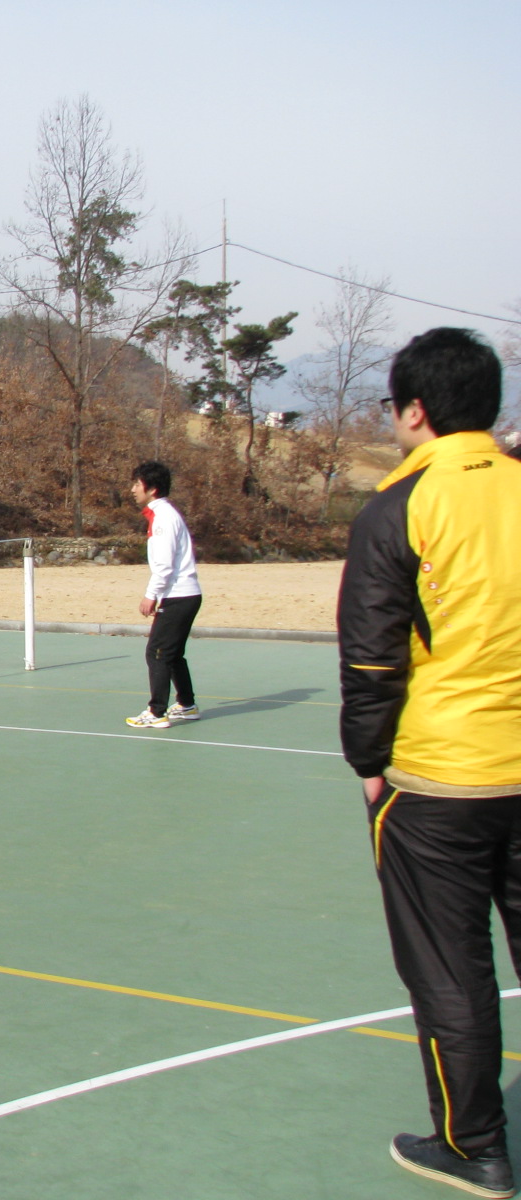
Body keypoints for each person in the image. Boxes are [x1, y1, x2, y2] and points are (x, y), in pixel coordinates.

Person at [339, 327, 521, 1199]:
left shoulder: (399, 506)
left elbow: (372, 660)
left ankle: (475, 1147)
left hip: (442, 779)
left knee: (451, 973)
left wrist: (369, 761)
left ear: (415, 411)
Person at [124, 460, 202, 728]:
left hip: (179, 596)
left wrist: (151, 595)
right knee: (172, 653)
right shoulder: (164, 514)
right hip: (186, 595)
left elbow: (165, 565)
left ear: (152, 489)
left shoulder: (163, 518)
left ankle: (156, 713)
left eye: (137, 484)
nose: (133, 489)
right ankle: (187, 705)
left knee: (156, 653)